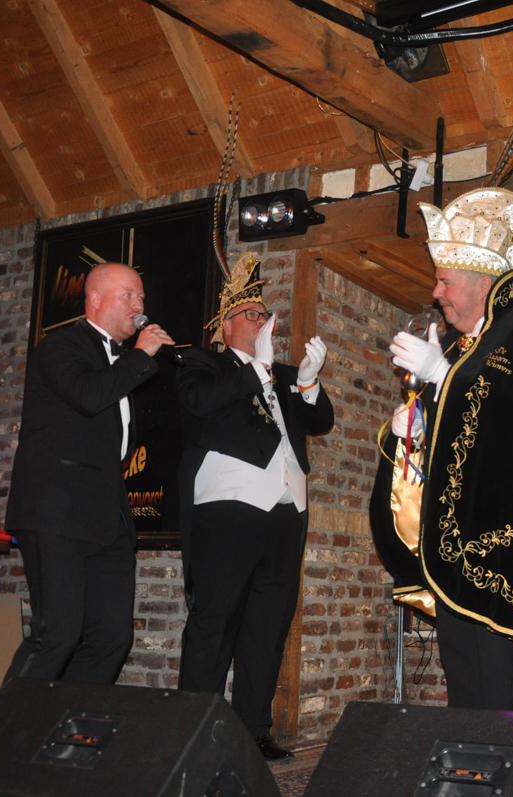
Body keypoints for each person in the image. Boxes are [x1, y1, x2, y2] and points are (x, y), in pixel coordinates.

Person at [382, 187, 513, 711]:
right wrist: (410, 427)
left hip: (503, 549)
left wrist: (443, 377)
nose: (436, 292)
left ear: (482, 282)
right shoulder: (458, 348)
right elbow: (454, 435)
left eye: (445, 281)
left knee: (499, 696)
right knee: (464, 690)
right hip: (452, 549)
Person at [176, 254, 333, 760]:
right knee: (215, 620)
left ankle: (252, 730)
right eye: (252, 315)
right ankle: (193, 729)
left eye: (266, 315)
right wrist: (257, 368)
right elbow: (200, 404)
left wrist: (307, 381)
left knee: (268, 624)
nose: (263, 322)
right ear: (226, 326)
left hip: (287, 510)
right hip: (229, 508)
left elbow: (322, 421)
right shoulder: (203, 364)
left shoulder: (284, 374)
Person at [5, 262, 174, 683]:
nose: (139, 306)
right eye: (128, 295)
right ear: (95, 299)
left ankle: (67, 721)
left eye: (141, 297)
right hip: (57, 513)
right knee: (57, 633)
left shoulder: (121, 361)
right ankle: (8, 724)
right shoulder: (61, 346)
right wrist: (141, 355)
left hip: (107, 517)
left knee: (112, 637)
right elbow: (87, 395)